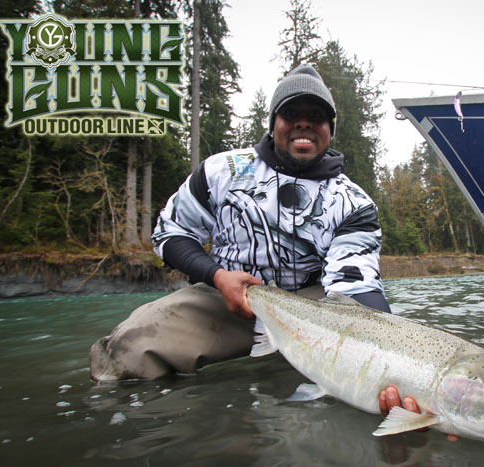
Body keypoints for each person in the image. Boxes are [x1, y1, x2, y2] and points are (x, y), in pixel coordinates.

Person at [89, 64, 455, 439]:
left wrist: (400, 372)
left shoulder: (354, 204)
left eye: (316, 116)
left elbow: (356, 288)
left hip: (318, 310)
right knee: (125, 351)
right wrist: (217, 276)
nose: (303, 124)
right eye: (291, 114)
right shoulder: (220, 172)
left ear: (330, 128)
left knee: (389, 383)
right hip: (226, 296)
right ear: (273, 122)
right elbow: (171, 234)